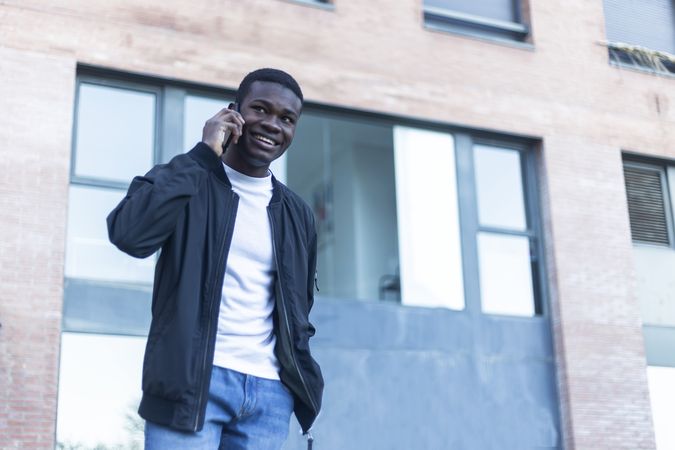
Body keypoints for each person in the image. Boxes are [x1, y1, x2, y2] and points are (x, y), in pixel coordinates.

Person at [107, 68, 323, 450]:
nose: (273, 124)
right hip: (192, 384)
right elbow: (129, 234)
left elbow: (297, 309)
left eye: (286, 119)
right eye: (260, 109)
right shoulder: (190, 179)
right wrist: (203, 154)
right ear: (232, 113)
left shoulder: (297, 214)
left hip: (269, 394)